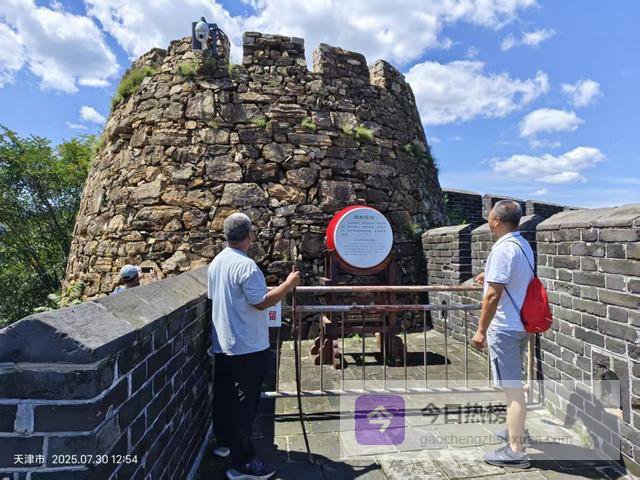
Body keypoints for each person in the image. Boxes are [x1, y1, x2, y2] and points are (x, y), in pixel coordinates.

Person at [207, 212, 300, 480]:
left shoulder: (216, 263)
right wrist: (287, 285)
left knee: (224, 399)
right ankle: (242, 463)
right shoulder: (246, 266)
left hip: (224, 343)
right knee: (244, 406)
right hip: (247, 346)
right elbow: (261, 302)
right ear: (249, 234)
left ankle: (224, 445)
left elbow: (221, 298)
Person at [471, 200, 534, 469]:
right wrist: (487, 275)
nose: (488, 220)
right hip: (520, 325)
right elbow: (513, 278)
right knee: (514, 384)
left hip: (505, 327)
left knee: (512, 389)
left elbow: (492, 296)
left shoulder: (502, 249)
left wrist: (481, 330)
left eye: (490, 216)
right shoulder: (522, 244)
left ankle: (516, 451)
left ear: (496, 220)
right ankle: (514, 429)